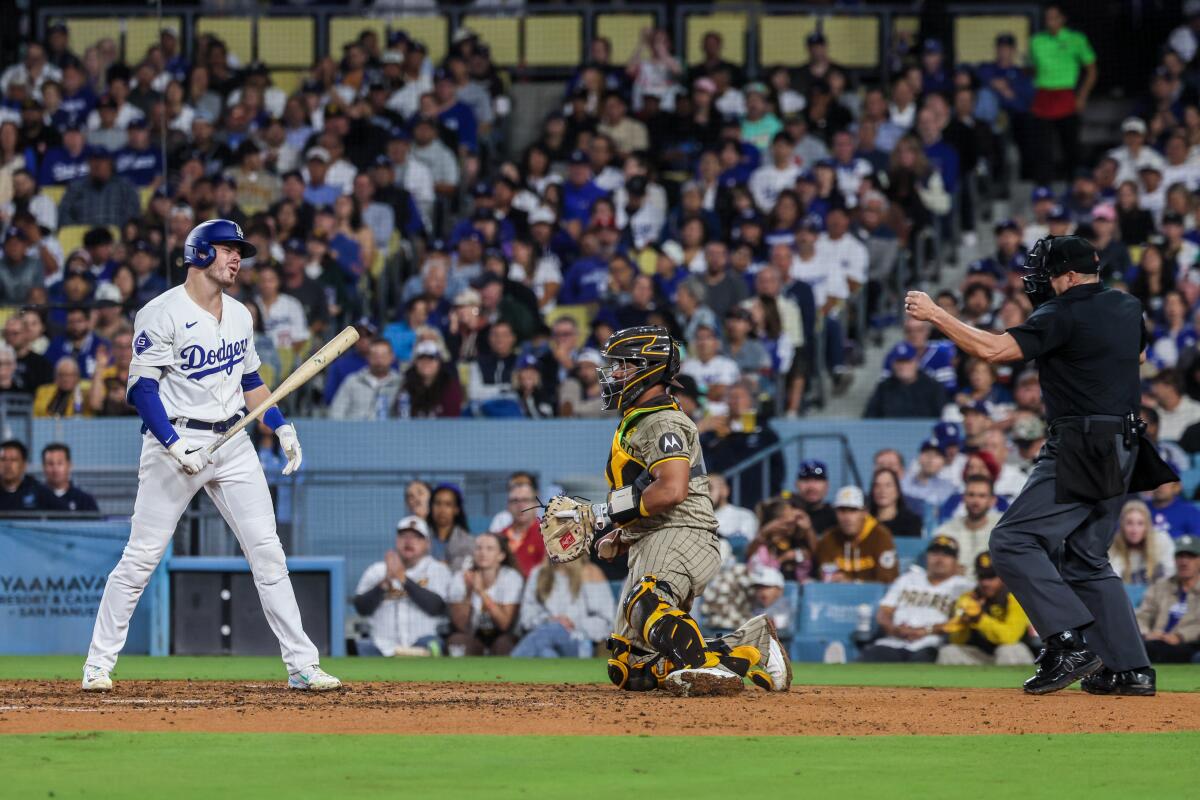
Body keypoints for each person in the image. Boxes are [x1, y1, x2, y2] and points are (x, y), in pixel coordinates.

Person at [905, 233, 1176, 695]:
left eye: (1049, 274)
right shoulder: (1128, 307)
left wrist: (935, 314)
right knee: (1086, 558)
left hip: (1082, 442)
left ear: (1069, 276)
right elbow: (1139, 355)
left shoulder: (1062, 311)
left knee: (1011, 540)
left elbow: (992, 351)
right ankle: (1130, 668)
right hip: (1127, 442)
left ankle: (1068, 641)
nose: (1043, 282)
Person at [82, 219, 341, 692]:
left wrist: (280, 425)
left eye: (239, 251)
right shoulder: (160, 312)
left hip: (234, 443)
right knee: (141, 558)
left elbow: (251, 384)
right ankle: (98, 664)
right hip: (174, 441)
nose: (237, 258)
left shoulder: (241, 314)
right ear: (199, 253)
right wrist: (173, 444)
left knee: (268, 553)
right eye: (228, 249)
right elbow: (141, 388)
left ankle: (302, 665)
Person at [542, 325, 791, 696]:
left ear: (648, 368)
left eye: (623, 366)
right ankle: (751, 644)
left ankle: (704, 668)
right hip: (657, 536)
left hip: (684, 533)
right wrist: (623, 534)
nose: (614, 375)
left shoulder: (663, 420)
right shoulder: (641, 419)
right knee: (632, 668)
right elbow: (648, 491)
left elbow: (673, 489)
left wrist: (600, 513)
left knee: (646, 601)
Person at [858, 536, 974, 663]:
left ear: (956, 561)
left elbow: (961, 620)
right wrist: (894, 629)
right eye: (935, 553)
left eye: (946, 555)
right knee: (869, 657)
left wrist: (927, 630)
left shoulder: (964, 586)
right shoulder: (908, 579)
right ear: (927, 556)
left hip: (930, 644)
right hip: (894, 641)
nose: (939, 559)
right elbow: (884, 612)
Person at [352, 516, 451, 656]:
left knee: (433, 644)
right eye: (404, 536)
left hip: (423, 645)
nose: (409, 541)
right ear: (396, 540)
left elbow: (436, 607)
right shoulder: (377, 570)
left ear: (428, 544)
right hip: (381, 646)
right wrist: (385, 583)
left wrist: (402, 578)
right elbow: (361, 607)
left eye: (416, 537)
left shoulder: (437, 569)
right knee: (365, 646)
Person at [937, 553, 1034, 666]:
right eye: (981, 577)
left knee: (1008, 651)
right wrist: (964, 622)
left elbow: (1010, 637)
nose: (985, 583)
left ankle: (1009, 684)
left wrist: (980, 619)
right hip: (980, 656)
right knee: (948, 652)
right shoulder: (968, 598)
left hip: (1013, 655)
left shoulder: (1016, 598)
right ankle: (960, 684)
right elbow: (957, 640)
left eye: (991, 576)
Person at [512, 557, 615, 658]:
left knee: (554, 629)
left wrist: (573, 623)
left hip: (578, 641)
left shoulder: (590, 572)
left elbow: (607, 621)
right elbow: (526, 618)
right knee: (546, 652)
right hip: (543, 635)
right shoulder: (538, 573)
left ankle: (512, 665)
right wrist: (549, 620)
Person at [446, 533, 523, 656]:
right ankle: (460, 675)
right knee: (457, 641)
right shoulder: (461, 578)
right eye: (479, 548)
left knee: (503, 644)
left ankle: (503, 675)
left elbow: (504, 624)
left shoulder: (511, 578)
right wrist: (468, 592)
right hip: (473, 636)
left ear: (501, 555)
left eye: (490, 549)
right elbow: (460, 626)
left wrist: (481, 592)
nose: (483, 553)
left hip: (503, 636)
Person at [1133, 535, 1200, 667]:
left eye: (1190, 556)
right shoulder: (1161, 585)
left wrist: (1180, 636)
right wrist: (1147, 633)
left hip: (1190, 644)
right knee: (1135, 647)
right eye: (1180, 556)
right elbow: (1143, 615)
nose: (1184, 562)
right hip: (1155, 642)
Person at [814, 486, 900, 583]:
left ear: (865, 512)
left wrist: (852, 583)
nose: (847, 517)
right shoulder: (829, 539)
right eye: (842, 511)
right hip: (837, 596)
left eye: (853, 510)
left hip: (874, 598)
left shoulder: (881, 537)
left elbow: (887, 581)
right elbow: (825, 578)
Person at [933, 476, 1003, 567]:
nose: (976, 501)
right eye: (971, 495)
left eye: (982, 496)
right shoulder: (946, 531)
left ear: (992, 501)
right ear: (963, 498)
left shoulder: (1003, 528)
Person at [863, 342, 946, 418]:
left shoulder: (933, 387)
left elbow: (942, 418)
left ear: (916, 362)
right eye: (899, 362)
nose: (903, 366)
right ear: (893, 364)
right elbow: (869, 418)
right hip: (890, 432)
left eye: (907, 361)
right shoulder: (883, 388)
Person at [328, 338, 402, 420]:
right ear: (368, 357)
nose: (379, 360)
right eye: (375, 355)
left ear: (392, 357)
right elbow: (336, 413)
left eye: (384, 355)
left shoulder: (401, 383)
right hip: (354, 430)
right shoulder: (352, 381)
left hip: (388, 431)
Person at [1110, 500, 1176, 585]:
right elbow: (1113, 580)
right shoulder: (1113, 546)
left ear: (1147, 526)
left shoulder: (1161, 540)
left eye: (1140, 523)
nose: (1134, 530)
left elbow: (1170, 573)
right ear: (1122, 526)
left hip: (1157, 593)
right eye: (1129, 523)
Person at [496, 480, 547, 578]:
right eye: (515, 501)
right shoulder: (498, 538)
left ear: (536, 504)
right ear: (508, 506)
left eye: (525, 500)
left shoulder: (548, 537)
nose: (520, 506)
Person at [426, 483, 475, 572]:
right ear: (431, 507)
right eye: (437, 503)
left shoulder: (468, 542)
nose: (442, 509)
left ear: (456, 509)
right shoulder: (420, 537)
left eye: (448, 504)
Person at [39, 442, 98, 512]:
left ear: (69, 465)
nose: (55, 469)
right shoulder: (36, 499)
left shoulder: (84, 500)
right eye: (50, 464)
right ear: (43, 467)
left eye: (60, 463)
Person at [868, 467, 923, 538]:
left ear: (897, 490)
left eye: (888, 485)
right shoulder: (864, 521)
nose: (882, 490)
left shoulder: (912, 522)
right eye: (877, 485)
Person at [0, 439, 52, 511]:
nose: (8, 465)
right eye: (3, 459)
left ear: (24, 465)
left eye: (13, 460)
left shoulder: (38, 491)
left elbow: (66, 514)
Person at [709, 473, 758, 545]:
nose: (705, 493)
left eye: (709, 488)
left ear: (724, 490)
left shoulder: (744, 515)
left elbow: (745, 548)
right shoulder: (698, 518)